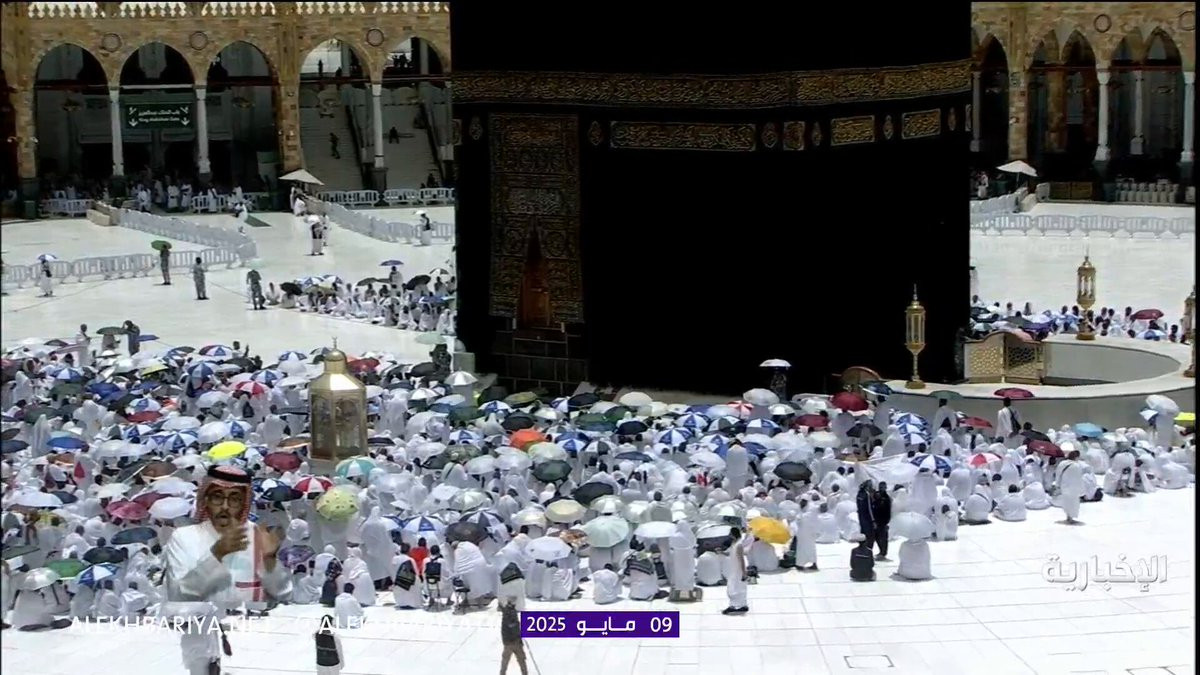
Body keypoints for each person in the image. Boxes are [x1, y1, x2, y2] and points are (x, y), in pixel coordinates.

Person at [162, 466, 290, 675]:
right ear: (205, 499)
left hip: (245, 634)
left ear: (243, 503)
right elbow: (181, 591)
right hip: (198, 632)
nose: (225, 507)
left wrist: (270, 560)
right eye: (217, 497)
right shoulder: (185, 537)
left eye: (234, 500)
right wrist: (217, 554)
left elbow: (282, 591)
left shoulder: (255, 535)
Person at [721, 527, 748, 615]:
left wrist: (744, 573)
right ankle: (741, 604)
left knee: (736, 587)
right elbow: (730, 553)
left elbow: (741, 559)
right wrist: (721, 552)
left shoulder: (739, 545)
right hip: (733, 568)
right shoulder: (734, 543)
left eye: (731, 534)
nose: (729, 535)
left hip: (738, 569)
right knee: (734, 586)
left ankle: (735, 605)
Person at [1056, 449, 1086, 524]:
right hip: (1074, 488)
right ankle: (1071, 517)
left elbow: (1058, 474)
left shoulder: (1062, 463)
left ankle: (1068, 516)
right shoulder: (1077, 465)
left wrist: (1057, 484)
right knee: (1073, 503)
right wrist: (1082, 490)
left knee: (1066, 501)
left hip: (1064, 486)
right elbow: (1079, 478)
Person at [499, 600, 528, 675]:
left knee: (506, 661)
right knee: (520, 660)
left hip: (509, 642)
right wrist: (518, 625)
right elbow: (512, 626)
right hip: (514, 642)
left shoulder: (506, 614)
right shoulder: (510, 613)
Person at [870, 481, 892, 560]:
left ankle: (883, 552)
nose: (881, 488)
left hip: (883, 520)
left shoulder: (887, 498)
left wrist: (887, 522)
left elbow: (888, 511)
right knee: (876, 537)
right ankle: (881, 551)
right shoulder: (876, 495)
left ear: (885, 488)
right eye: (880, 487)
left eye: (883, 487)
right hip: (876, 519)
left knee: (883, 538)